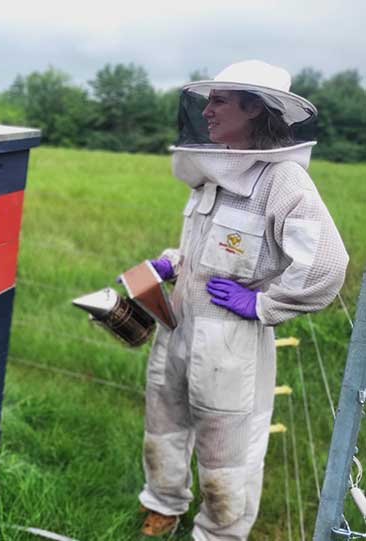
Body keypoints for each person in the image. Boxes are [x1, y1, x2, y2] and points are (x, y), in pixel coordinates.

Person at [130, 60, 348, 539]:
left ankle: (218, 532)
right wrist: (172, 262)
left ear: (254, 108)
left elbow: (328, 264)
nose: (207, 111)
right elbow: (205, 246)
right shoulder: (216, 168)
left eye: (220, 101)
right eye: (207, 100)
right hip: (177, 324)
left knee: (227, 448)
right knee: (164, 421)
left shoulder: (283, 181)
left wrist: (264, 306)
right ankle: (163, 504)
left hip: (230, 345)